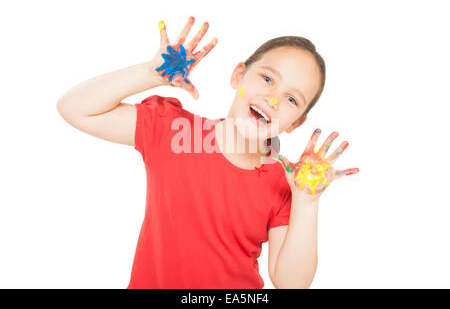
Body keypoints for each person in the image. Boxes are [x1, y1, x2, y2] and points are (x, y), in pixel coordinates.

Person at [56, 16, 359, 289]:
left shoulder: (287, 182)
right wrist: (151, 74)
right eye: (267, 79)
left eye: (291, 99)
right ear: (238, 76)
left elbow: (291, 283)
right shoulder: (170, 130)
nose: (273, 100)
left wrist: (307, 201)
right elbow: (75, 109)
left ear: (296, 123)